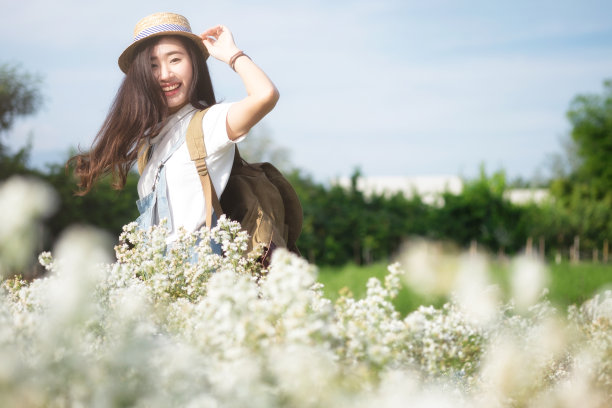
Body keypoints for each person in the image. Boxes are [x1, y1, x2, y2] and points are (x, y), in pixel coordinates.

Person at [68, 12, 279, 243]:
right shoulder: (150, 142)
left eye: (175, 60)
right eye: (152, 65)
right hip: (159, 271)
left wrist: (232, 55)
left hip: (199, 272)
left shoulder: (209, 123)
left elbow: (265, 95)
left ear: (194, 64)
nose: (165, 74)